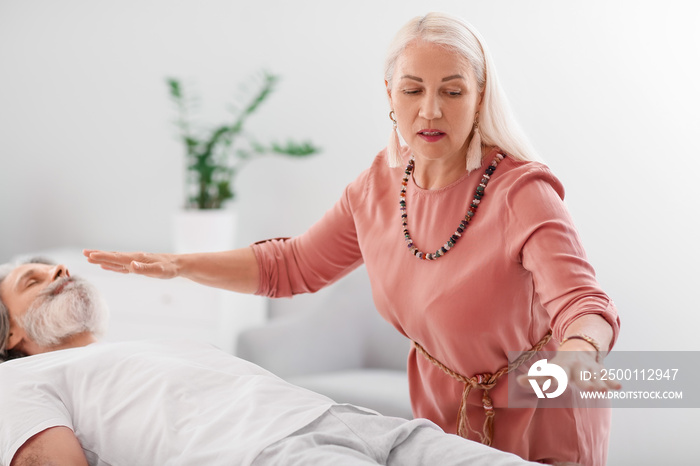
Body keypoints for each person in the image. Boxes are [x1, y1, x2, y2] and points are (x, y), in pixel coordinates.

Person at [84, 12, 621, 465]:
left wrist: (578, 356)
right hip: (441, 417)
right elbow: (290, 267)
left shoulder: (521, 191)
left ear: (479, 98)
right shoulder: (378, 187)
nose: (429, 110)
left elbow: (582, 303)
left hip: (542, 407)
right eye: (413, 90)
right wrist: (182, 266)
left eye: (452, 91)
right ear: (389, 93)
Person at [0, 259, 539, 466]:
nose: (59, 273)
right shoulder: (16, 378)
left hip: (363, 425)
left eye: (57, 268)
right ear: (12, 335)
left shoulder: (145, 348)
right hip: (269, 453)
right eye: (33, 280)